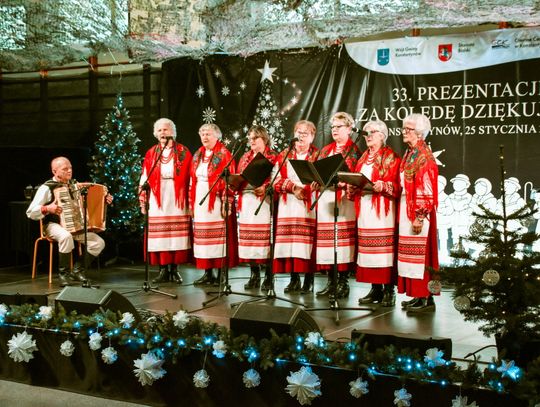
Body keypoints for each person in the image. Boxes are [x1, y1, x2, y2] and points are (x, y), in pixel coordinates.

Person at [26, 157, 113, 286]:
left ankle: (77, 271)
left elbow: (89, 202)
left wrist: (103, 200)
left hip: (75, 226)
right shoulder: (47, 188)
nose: (69, 171)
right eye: (65, 169)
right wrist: (47, 208)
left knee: (98, 243)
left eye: (70, 168)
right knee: (66, 236)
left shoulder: (76, 186)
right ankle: (64, 274)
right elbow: (30, 212)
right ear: (54, 171)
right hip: (52, 225)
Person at [347, 120, 400, 306]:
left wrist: (383, 185)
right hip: (366, 207)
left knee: (383, 252)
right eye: (366, 132)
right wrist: (352, 186)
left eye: (373, 132)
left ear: (383, 136)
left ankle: (389, 290)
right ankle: (375, 288)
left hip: (383, 209)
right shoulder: (363, 158)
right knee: (368, 252)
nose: (368, 136)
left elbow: (398, 185)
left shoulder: (391, 157)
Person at [314, 112, 362, 299]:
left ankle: (343, 282)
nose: (334, 130)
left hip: (343, 201)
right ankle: (330, 281)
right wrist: (315, 180)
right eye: (332, 127)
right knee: (328, 243)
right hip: (326, 198)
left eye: (339, 126)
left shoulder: (354, 151)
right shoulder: (326, 150)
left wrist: (343, 182)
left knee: (342, 243)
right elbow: (318, 171)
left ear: (349, 129)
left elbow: (357, 177)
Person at [139, 118, 193, 284]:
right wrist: (143, 199)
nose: (163, 133)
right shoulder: (151, 153)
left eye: (166, 129)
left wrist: (190, 200)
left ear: (173, 132)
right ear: (156, 134)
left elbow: (191, 177)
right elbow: (144, 176)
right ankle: (163, 270)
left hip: (177, 197)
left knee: (176, 236)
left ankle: (175, 270)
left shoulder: (183, 152)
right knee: (160, 236)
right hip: (158, 197)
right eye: (160, 130)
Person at [397, 113, 439, 312]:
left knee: (422, 255)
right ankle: (417, 295)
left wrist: (420, 216)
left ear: (420, 132)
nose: (404, 132)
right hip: (408, 206)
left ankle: (426, 297)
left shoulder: (423, 155)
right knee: (411, 255)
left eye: (409, 129)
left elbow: (426, 187)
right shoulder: (411, 153)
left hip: (419, 210)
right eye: (404, 128)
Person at [189, 123, 238, 285]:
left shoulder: (224, 154)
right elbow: (192, 180)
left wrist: (226, 202)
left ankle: (221, 273)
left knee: (218, 238)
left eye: (208, 134)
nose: (205, 137)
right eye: (202, 134)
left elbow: (230, 181)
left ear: (217, 136)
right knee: (203, 239)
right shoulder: (198, 155)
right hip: (200, 199)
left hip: (216, 200)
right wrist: (191, 203)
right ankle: (208, 272)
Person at [273, 120, 318, 294]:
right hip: (288, 203)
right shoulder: (285, 155)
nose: (301, 136)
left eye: (305, 133)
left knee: (305, 243)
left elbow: (321, 179)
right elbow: (276, 180)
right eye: (298, 132)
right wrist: (293, 188)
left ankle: (309, 279)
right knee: (290, 242)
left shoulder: (317, 155)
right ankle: (294, 278)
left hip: (308, 203)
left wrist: (307, 189)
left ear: (312, 137)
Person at [234, 125, 278, 291]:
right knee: (250, 241)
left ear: (264, 139)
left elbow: (277, 178)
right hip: (247, 200)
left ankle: (269, 276)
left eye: (255, 138)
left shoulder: (273, 156)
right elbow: (240, 176)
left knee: (264, 240)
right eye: (250, 138)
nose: (251, 141)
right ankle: (254, 274)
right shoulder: (245, 157)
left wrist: (265, 187)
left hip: (264, 201)